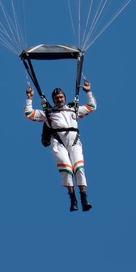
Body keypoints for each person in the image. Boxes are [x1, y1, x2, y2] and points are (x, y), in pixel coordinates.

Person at [24, 78, 96, 211]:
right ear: (53, 100)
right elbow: (29, 114)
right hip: (59, 143)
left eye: (61, 97)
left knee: (79, 168)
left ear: (64, 97)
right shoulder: (48, 113)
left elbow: (91, 107)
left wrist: (88, 92)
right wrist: (29, 98)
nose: (59, 100)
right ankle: (72, 198)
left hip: (74, 142)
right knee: (67, 170)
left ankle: (84, 198)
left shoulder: (73, 110)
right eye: (56, 98)